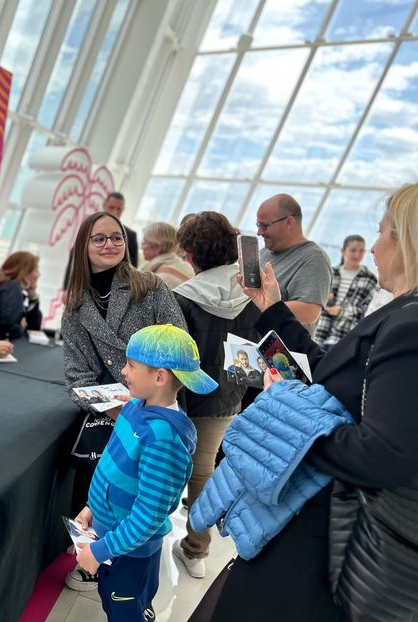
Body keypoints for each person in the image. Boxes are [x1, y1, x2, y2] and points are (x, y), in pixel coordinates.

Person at [193, 183, 418, 621]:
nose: (373, 248)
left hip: (326, 537)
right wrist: (272, 308)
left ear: (406, 239)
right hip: (309, 522)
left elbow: (385, 455)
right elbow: (325, 371)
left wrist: (287, 417)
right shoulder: (398, 314)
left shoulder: (408, 327)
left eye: (381, 233)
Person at [62, 210, 187, 592]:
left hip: (155, 402)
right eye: (99, 238)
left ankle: (130, 565)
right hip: (109, 409)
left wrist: (146, 399)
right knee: (101, 480)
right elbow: (77, 374)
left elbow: (179, 345)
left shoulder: (148, 286)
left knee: (144, 493)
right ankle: (93, 556)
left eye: (116, 237)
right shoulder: (76, 303)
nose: (110, 244)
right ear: (84, 245)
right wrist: (110, 405)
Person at [74, 324, 216, 621]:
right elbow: (114, 467)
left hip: (129, 552)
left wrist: (100, 551)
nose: (123, 371)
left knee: (124, 609)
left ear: (160, 377)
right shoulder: (134, 407)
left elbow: (149, 516)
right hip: (112, 537)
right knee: (113, 600)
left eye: (130, 365)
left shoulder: (163, 440)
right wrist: (92, 508)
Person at [170, 211, 261, 578]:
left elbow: (172, 355)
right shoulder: (253, 294)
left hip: (180, 398)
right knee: (203, 472)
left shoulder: (181, 298)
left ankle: (140, 538)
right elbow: (254, 353)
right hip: (227, 398)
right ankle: (197, 550)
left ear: (191, 252)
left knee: (157, 466)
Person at [256, 194, 331, 334]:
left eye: (265, 225)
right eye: (258, 225)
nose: (259, 232)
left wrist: (259, 306)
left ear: (289, 222)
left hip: (279, 348)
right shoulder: (264, 253)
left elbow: (309, 311)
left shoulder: (314, 258)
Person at [314, 234, 378, 350]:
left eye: (361, 251)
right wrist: (323, 297)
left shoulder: (369, 279)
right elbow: (313, 302)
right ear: (343, 251)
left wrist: (341, 311)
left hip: (344, 337)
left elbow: (365, 310)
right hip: (319, 333)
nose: (357, 255)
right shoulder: (330, 273)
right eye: (353, 250)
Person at [63, 192, 139, 287]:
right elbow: (75, 258)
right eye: (112, 207)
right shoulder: (89, 228)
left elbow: (133, 266)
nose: (115, 212)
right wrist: (67, 287)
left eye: (119, 209)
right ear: (104, 205)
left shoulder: (131, 235)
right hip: (87, 284)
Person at [141, 222, 193, 288]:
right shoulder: (184, 266)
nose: (141, 247)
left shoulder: (157, 279)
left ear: (157, 247)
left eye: (143, 243)